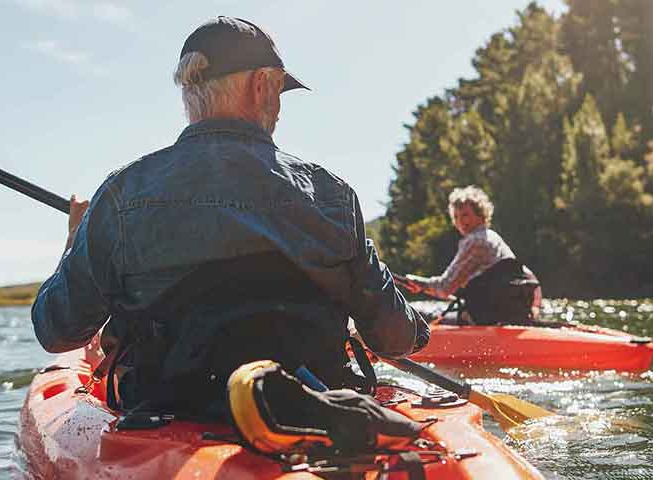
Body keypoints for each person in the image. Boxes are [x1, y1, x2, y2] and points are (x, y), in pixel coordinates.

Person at [30, 17, 429, 431]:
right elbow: (395, 339)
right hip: (312, 411)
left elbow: (56, 331)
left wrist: (75, 242)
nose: (278, 107)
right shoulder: (330, 195)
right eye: (279, 90)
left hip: (170, 415)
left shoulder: (121, 195)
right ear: (261, 86)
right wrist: (415, 327)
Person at [396, 186, 543, 325]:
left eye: (465, 215)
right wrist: (535, 308)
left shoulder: (474, 241)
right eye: (456, 217)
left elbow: (445, 287)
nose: (460, 221)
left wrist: (418, 283)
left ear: (481, 215)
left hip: (481, 318)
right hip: (502, 315)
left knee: (410, 312)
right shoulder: (494, 238)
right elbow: (530, 278)